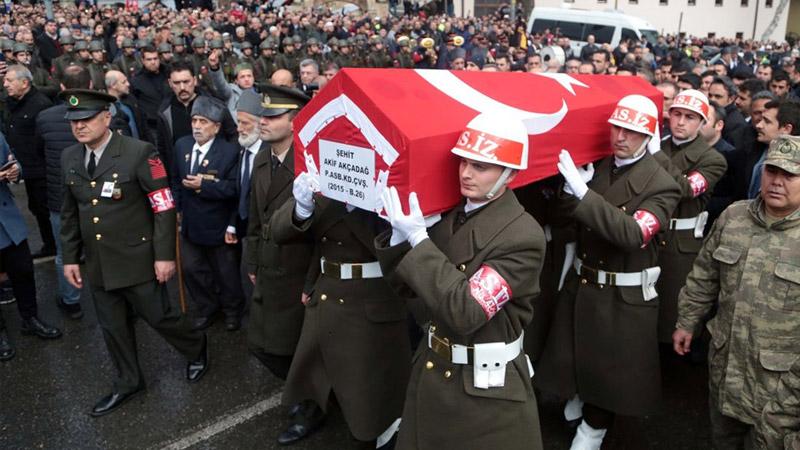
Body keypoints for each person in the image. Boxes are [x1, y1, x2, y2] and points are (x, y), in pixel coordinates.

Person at [376, 113, 547, 449]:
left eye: (481, 166)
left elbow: (465, 312)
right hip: (434, 365)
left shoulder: (523, 236)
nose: (466, 173)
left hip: (483, 387)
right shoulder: (450, 217)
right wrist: (399, 241)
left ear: (509, 173)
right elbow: (408, 288)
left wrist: (419, 242)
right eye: (464, 161)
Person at [536, 95, 681, 449]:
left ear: (649, 137)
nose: (621, 136)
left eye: (632, 131)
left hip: (622, 293)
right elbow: (567, 218)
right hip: (585, 282)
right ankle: (582, 401)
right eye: (617, 127)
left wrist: (584, 193)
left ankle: (593, 429)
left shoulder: (662, 183)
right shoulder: (599, 167)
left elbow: (632, 234)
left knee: (611, 372)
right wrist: (569, 193)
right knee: (576, 357)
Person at [59, 89, 208, 416]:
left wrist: (164, 255)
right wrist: (70, 258)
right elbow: (70, 213)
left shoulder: (139, 152)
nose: (79, 127)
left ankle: (196, 348)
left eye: (86, 120)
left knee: (160, 317)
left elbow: (164, 206)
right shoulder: (70, 157)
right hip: (99, 262)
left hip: (138, 258)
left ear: (106, 117)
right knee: (112, 327)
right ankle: (129, 381)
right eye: (74, 122)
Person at [270, 136, 412, 447]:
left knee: (372, 384)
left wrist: (355, 202)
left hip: (372, 294)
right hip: (329, 290)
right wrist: (302, 208)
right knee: (315, 367)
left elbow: (394, 254)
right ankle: (312, 411)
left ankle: (382, 432)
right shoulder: (325, 171)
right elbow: (280, 232)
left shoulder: (392, 181)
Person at [673, 135, 800, 449]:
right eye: (772, 171)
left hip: (780, 395)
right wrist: (688, 321)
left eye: (790, 175)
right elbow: (705, 275)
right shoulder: (734, 217)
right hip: (726, 373)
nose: (777, 182)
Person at [243, 86, 315, 380]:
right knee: (261, 344)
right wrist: (252, 262)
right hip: (268, 269)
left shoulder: (308, 165)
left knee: (296, 348)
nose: (263, 121)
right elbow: (255, 220)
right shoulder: (263, 159)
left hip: (297, 272)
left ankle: (308, 406)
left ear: (295, 122)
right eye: (263, 114)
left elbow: (321, 234)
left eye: (273, 116)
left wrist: (312, 283)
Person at [651, 89, 727, 344]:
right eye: (677, 114)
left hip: (679, 244)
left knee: (671, 315)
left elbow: (685, 189)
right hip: (648, 235)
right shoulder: (658, 146)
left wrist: (654, 154)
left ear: (702, 123)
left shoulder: (713, 159)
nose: (681, 122)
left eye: (690, 117)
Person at [171, 95, 243, 331]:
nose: (197, 127)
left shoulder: (230, 152)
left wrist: (204, 185)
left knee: (226, 273)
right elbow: (176, 181)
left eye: (203, 121)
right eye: (194, 121)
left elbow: (234, 189)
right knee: (193, 270)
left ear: (217, 126)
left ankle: (232, 310)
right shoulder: (182, 145)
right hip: (190, 224)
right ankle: (207, 307)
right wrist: (179, 211)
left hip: (219, 225)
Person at [34, 65, 92, 320]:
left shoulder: (44, 117)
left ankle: (71, 301)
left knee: (64, 252)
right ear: (90, 86)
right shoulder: (101, 114)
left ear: (61, 87)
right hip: (94, 196)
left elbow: (39, 153)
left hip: (60, 198)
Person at [0, 130, 62, 360]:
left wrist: (16, 171)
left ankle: (30, 318)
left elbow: (12, 160)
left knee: (24, 271)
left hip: (8, 222)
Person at [3, 64, 56, 259]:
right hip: (27, 169)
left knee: (46, 209)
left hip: (41, 169)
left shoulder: (40, 105)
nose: (5, 84)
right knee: (37, 208)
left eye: (10, 80)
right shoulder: (14, 102)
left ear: (24, 83)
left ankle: (56, 245)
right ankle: (50, 244)